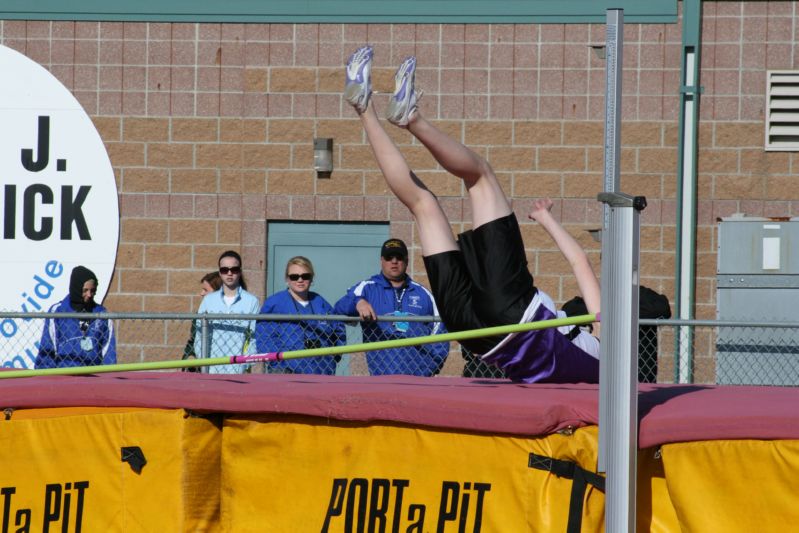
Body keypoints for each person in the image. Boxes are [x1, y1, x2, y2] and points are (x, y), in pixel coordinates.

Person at [344, 46, 600, 383]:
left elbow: (580, 261)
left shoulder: (606, 345)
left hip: (516, 317)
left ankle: (412, 119)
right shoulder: (595, 378)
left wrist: (548, 220)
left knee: (480, 177)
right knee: (422, 206)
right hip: (476, 338)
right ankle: (363, 108)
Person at [334, 238, 450, 376]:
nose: (394, 261)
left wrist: (428, 369)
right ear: (381, 260)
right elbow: (339, 309)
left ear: (406, 261)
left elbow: (441, 332)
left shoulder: (423, 294)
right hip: (381, 378)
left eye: (399, 257)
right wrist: (359, 302)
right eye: (389, 257)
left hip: (419, 378)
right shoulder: (367, 289)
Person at [562, 286, 671, 383]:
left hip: (639, 376)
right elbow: (569, 311)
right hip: (598, 373)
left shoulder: (642, 296)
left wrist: (614, 313)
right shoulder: (587, 302)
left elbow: (663, 309)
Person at [255, 256, 345, 374]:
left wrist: (333, 358)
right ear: (287, 279)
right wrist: (279, 366)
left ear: (311, 278)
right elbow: (265, 337)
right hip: (288, 373)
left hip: (322, 371)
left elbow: (338, 329)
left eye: (305, 276)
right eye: (294, 276)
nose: (300, 280)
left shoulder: (320, 302)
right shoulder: (274, 304)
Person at [35, 265, 116, 368]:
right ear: (76, 288)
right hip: (64, 376)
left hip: (93, 377)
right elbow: (47, 349)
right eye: (85, 290)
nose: (89, 294)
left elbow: (108, 353)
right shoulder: (58, 312)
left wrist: (109, 379)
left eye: (92, 290)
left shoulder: (101, 315)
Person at [194, 251, 260, 374]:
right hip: (210, 367)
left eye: (234, 269)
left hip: (239, 369)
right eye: (225, 270)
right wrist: (202, 361)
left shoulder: (251, 301)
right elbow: (199, 334)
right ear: (220, 272)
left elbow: (253, 336)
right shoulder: (209, 300)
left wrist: (246, 364)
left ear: (239, 272)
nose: (229, 273)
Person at [182, 271, 223, 371]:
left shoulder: (229, 315)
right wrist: (189, 357)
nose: (201, 293)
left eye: (206, 290)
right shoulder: (200, 314)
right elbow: (193, 341)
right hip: (201, 370)